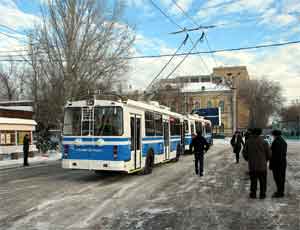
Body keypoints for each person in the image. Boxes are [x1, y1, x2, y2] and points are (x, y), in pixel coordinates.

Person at [243, 128, 271, 199]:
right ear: (260, 133)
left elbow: (244, 153)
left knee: (253, 181)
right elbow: (269, 154)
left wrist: (248, 159)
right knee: (263, 181)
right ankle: (262, 194)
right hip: (262, 166)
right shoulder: (264, 142)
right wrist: (265, 160)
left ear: (252, 133)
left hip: (252, 165)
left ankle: (253, 194)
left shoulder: (248, 142)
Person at [269, 130, 287, 198]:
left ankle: (279, 192)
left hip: (277, 163)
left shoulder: (276, 142)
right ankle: (281, 191)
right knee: (282, 178)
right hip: (283, 162)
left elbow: (274, 155)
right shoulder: (283, 141)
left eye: (273, 135)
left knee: (278, 178)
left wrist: (271, 164)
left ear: (274, 135)